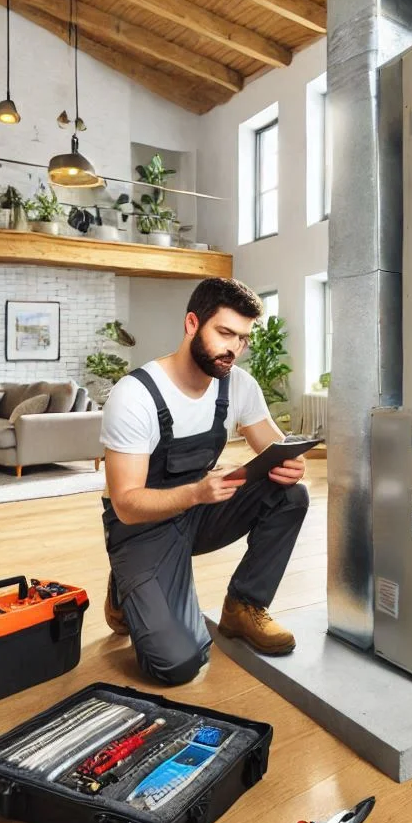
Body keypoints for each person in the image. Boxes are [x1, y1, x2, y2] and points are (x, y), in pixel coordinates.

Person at [100, 277, 309, 685]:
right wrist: (196, 491)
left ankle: (243, 606)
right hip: (140, 529)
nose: (234, 348)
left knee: (290, 495)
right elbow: (125, 503)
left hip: (199, 512)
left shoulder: (238, 386)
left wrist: (291, 463)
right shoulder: (135, 396)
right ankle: (127, 583)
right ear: (192, 324)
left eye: (243, 338)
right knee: (178, 664)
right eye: (225, 333)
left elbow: (274, 445)